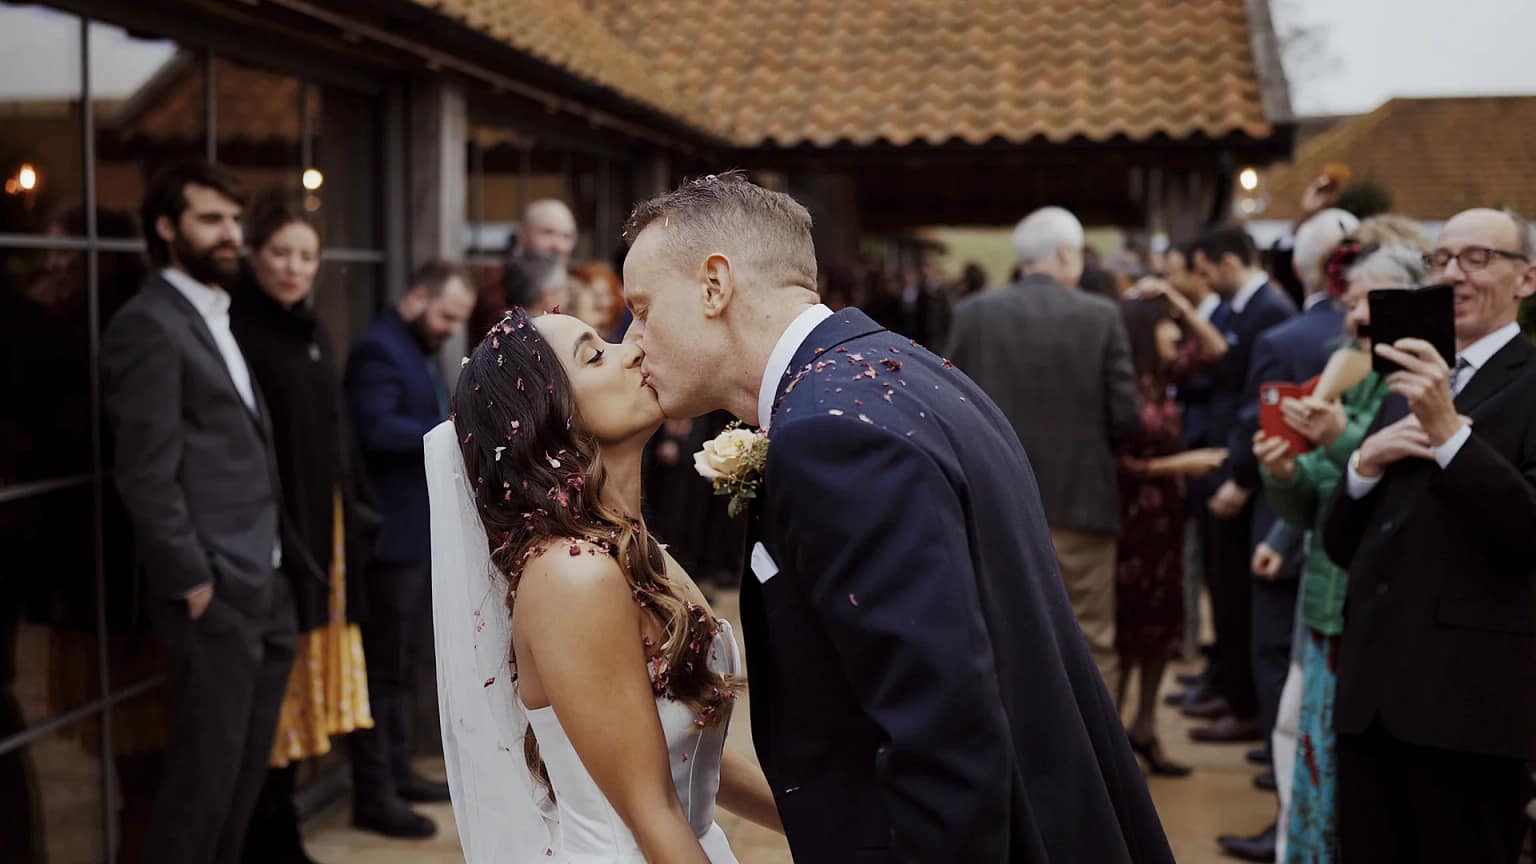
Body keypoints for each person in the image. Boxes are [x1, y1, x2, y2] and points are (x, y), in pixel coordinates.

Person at [622, 171, 1173, 862]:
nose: (633, 339)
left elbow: (941, 733)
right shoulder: (902, 368)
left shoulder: (831, 434)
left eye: (642, 308)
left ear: (714, 285)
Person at [430, 309, 782, 862]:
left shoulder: (637, 550)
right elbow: (651, 810)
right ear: (551, 420)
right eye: (596, 355)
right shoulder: (572, 576)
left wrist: (829, 831)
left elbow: (689, 755)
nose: (633, 351)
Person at [1324, 209, 1536, 863]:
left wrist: (1449, 435)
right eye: (1440, 259)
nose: (1452, 274)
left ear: (1527, 278)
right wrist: (1362, 466)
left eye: (1477, 258)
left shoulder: (1527, 383)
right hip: (1370, 702)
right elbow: (1341, 546)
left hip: (1467, 710)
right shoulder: (1409, 379)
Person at [101, 159, 297, 864]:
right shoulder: (148, 325)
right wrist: (193, 580)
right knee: (202, 785)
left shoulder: (214, 313)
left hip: (263, 579)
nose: (231, 234)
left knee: (241, 780)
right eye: (211, 220)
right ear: (165, 227)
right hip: (214, 590)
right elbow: (144, 472)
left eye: (234, 220)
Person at [1253, 243, 1428, 864]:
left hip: (1369, 610)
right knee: (1309, 756)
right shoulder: (1349, 372)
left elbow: (1396, 486)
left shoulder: (1415, 386)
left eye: (1368, 303)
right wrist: (1281, 472)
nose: (1354, 317)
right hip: (1327, 600)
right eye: (1351, 302)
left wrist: (1336, 439)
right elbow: (1317, 506)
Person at [230, 194, 381, 863]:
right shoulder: (239, 331)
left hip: (328, 536)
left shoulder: (314, 329)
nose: (294, 267)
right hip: (275, 540)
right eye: (280, 253)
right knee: (273, 701)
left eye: (306, 256)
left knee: (300, 695)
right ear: (253, 255)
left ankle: (279, 832)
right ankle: (264, 839)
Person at [947, 206, 1141, 696]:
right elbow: (1126, 418)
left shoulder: (974, 315)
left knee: (1003, 640)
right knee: (1092, 639)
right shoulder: (1102, 317)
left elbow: (946, 408)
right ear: (1066, 254)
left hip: (994, 507)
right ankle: (1097, 746)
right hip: (1082, 503)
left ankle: (1017, 744)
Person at [1217, 209, 1358, 861]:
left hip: (1304, 525)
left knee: (1283, 675)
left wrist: (1254, 489)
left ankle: (1288, 818)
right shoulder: (1330, 337)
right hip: (1316, 525)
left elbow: (1265, 425)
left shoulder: (1289, 336)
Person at [343, 261, 475, 837]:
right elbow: (375, 430)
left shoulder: (415, 346)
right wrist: (450, 430)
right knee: (383, 668)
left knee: (402, 664)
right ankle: (375, 793)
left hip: (414, 535)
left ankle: (399, 774)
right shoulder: (378, 349)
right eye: (445, 315)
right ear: (418, 296)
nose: (449, 329)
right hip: (388, 539)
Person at [1185, 225, 1296, 744]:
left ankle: (1245, 702)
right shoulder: (1241, 309)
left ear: (1229, 262)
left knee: (1236, 589)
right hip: (1223, 454)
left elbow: (1258, 402)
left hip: (1241, 465)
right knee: (1222, 585)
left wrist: (1240, 474)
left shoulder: (1269, 311)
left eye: (1207, 271)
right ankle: (1230, 687)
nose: (1204, 282)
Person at [1114, 282, 1229, 778]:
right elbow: (1116, 464)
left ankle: (1145, 727)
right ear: (1144, 330)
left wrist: (1179, 302)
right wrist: (1181, 464)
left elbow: (1215, 348)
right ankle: (1112, 739)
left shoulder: (1162, 377)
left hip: (1165, 522)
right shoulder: (1122, 384)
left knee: (1160, 629)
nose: (1177, 332)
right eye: (1167, 324)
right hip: (1130, 521)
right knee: (1126, 631)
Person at [470, 199, 578, 336]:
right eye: (547, 232)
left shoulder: (579, 282)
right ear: (522, 234)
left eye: (567, 236)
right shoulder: (496, 285)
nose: (558, 245)